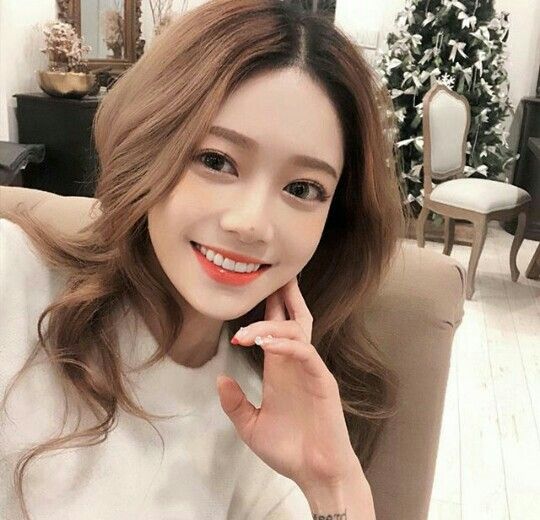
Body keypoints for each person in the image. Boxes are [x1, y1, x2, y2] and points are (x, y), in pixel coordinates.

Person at [0, 0, 407, 518]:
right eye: (216, 160)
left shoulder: (264, 414)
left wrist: (333, 481)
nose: (251, 224)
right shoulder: (13, 279)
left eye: (303, 188)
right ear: (150, 145)